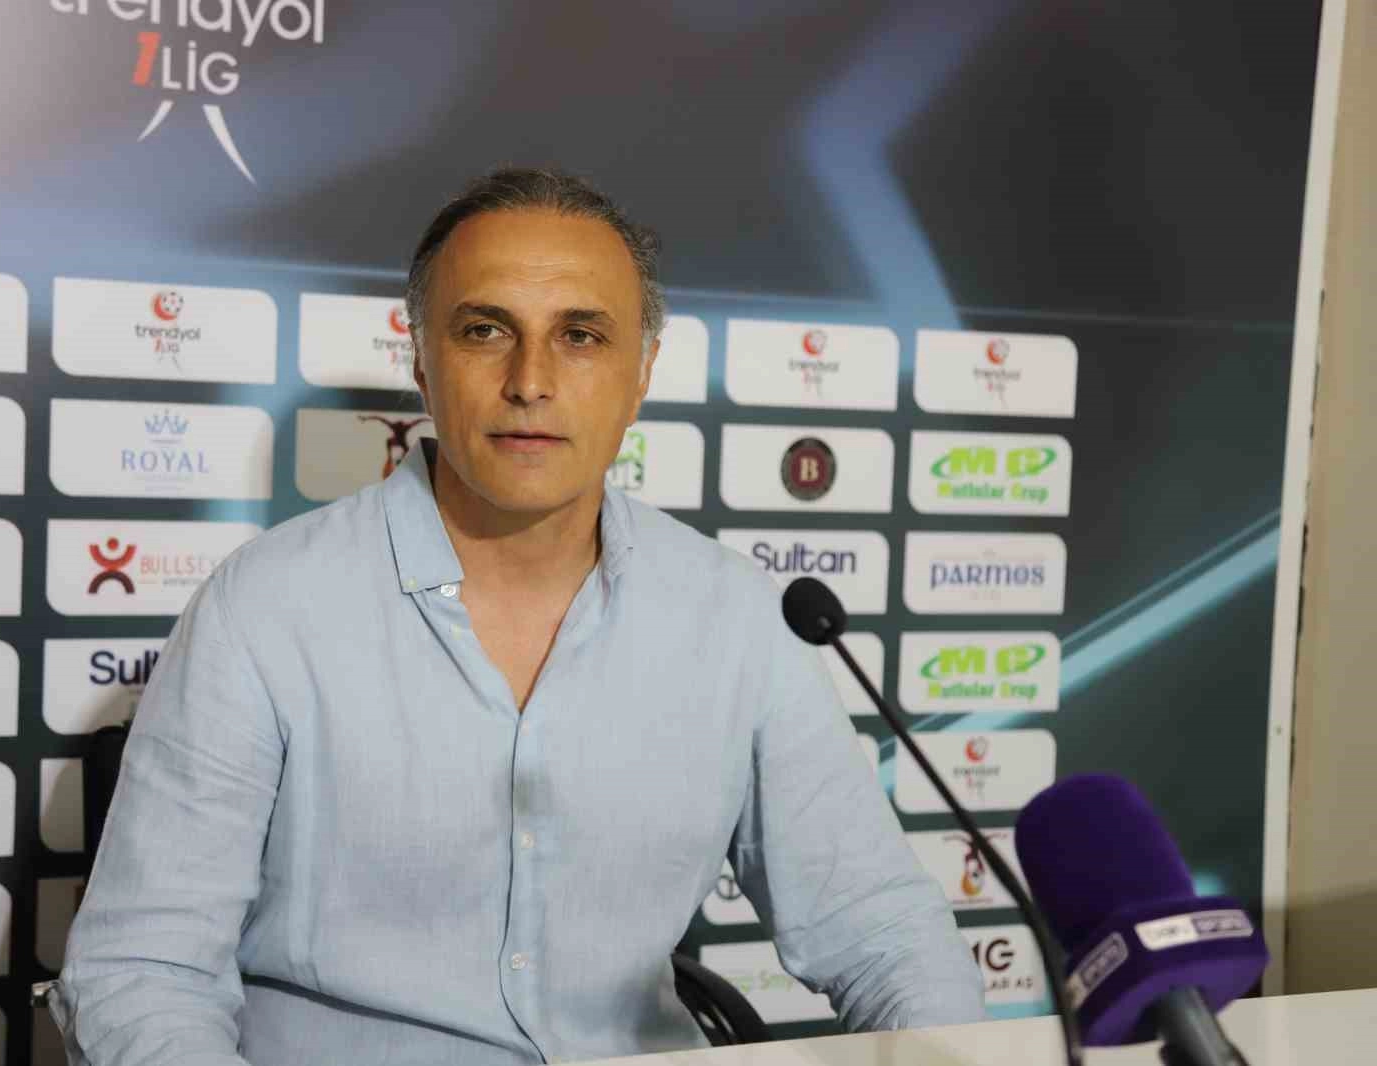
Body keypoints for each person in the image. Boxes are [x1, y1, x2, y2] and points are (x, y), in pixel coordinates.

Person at [50, 167, 985, 1066]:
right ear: (422, 363)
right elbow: (143, 974)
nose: (531, 379)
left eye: (580, 335)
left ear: (641, 374)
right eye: (485, 330)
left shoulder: (735, 616)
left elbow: (880, 930)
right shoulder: (263, 607)